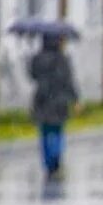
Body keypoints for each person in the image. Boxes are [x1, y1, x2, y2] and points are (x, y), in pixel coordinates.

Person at [28, 35, 80, 180]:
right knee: (57, 130)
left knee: (44, 132)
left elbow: (32, 76)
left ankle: (48, 163)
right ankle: (56, 157)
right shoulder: (62, 59)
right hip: (59, 100)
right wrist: (75, 100)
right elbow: (69, 81)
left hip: (42, 99)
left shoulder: (37, 58)